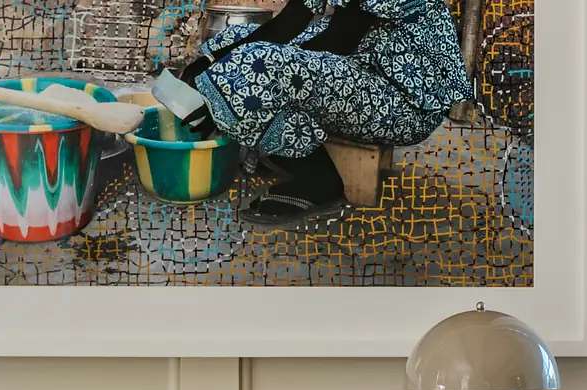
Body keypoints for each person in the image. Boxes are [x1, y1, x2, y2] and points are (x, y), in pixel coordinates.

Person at [177, 0, 473, 227]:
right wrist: (211, 60)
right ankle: (280, 146)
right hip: (362, 64)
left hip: (402, 101)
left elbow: (340, 38)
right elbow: (288, 23)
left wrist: (226, 77)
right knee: (229, 40)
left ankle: (319, 179)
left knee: (252, 64)